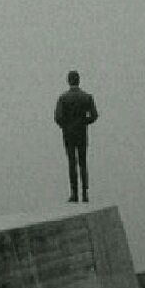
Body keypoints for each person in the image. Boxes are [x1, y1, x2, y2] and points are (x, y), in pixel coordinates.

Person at [54, 69, 98, 203]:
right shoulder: (87, 97)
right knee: (83, 163)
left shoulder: (63, 98)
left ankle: (74, 193)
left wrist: (66, 125)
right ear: (79, 80)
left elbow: (57, 117)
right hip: (82, 133)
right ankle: (85, 193)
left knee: (72, 162)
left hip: (68, 134)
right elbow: (94, 115)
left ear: (68, 81)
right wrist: (84, 122)